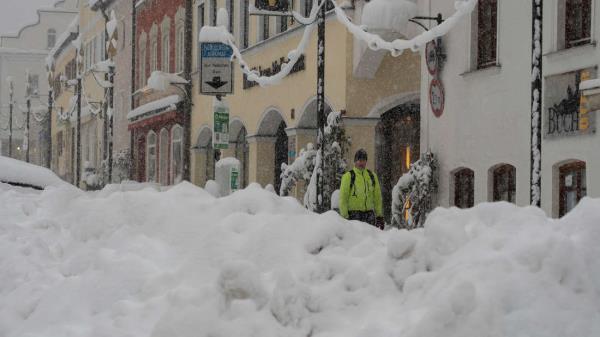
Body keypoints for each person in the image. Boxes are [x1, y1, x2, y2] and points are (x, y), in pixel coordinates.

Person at [339, 149, 385, 229]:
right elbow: (343, 198)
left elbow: (377, 197)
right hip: (354, 215)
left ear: (366, 161)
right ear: (355, 161)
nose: (361, 163)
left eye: (363, 160)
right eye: (359, 160)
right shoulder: (349, 176)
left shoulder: (372, 176)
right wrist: (345, 217)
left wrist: (379, 216)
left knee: (370, 240)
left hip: (369, 215)